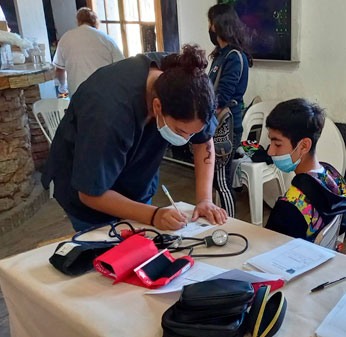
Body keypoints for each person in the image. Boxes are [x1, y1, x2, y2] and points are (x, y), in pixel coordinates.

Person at [42, 44, 228, 232]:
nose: (187, 139)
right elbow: (90, 193)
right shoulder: (108, 111)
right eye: (180, 131)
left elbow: (204, 140)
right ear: (157, 107)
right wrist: (153, 215)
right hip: (90, 199)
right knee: (107, 255)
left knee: (146, 246)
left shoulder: (187, 80)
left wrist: (205, 199)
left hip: (136, 186)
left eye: (192, 133)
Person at [264, 99, 346, 242]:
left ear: (304, 146)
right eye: (270, 143)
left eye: (277, 144)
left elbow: (267, 249)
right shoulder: (334, 179)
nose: (270, 151)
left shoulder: (290, 206)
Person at [206, 3, 252, 217]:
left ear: (218, 24)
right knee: (216, 178)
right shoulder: (220, 54)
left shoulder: (234, 56)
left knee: (222, 179)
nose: (209, 27)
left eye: (210, 22)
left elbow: (221, 97)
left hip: (227, 126)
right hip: (215, 125)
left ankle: (231, 224)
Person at [53, 7, 124, 96]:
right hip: (104, 92)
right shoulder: (106, 38)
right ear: (95, 22)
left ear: (78, 21)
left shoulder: (65, 38)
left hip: (77, 93)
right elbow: (121, 66)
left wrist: (63, 86)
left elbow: (59, 70)